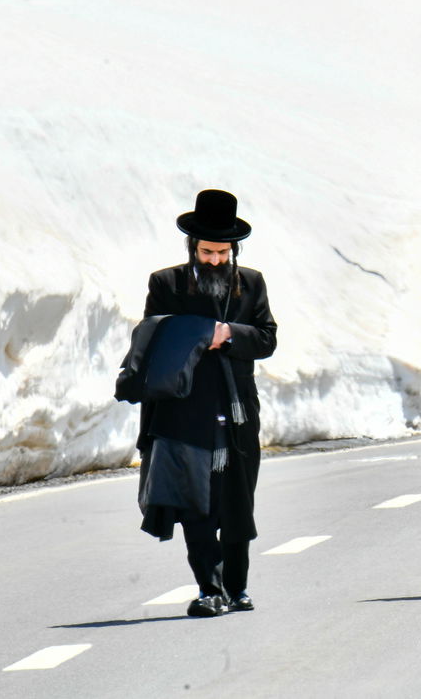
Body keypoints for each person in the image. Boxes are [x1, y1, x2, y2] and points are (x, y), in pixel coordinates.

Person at [135, 189, 277, 616]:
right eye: (206, 251)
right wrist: (199, 334)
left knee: (237, 499)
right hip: (184, 410)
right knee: (195, 502)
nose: (214, 259)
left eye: (221, 252)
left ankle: (237, 587)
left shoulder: (251, 282)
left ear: (234, 249)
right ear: (192, 247)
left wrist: (229, 334)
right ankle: (208, 589)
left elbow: (267, 338)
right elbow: (154, 337)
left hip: (236, 413)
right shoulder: (167, 284)